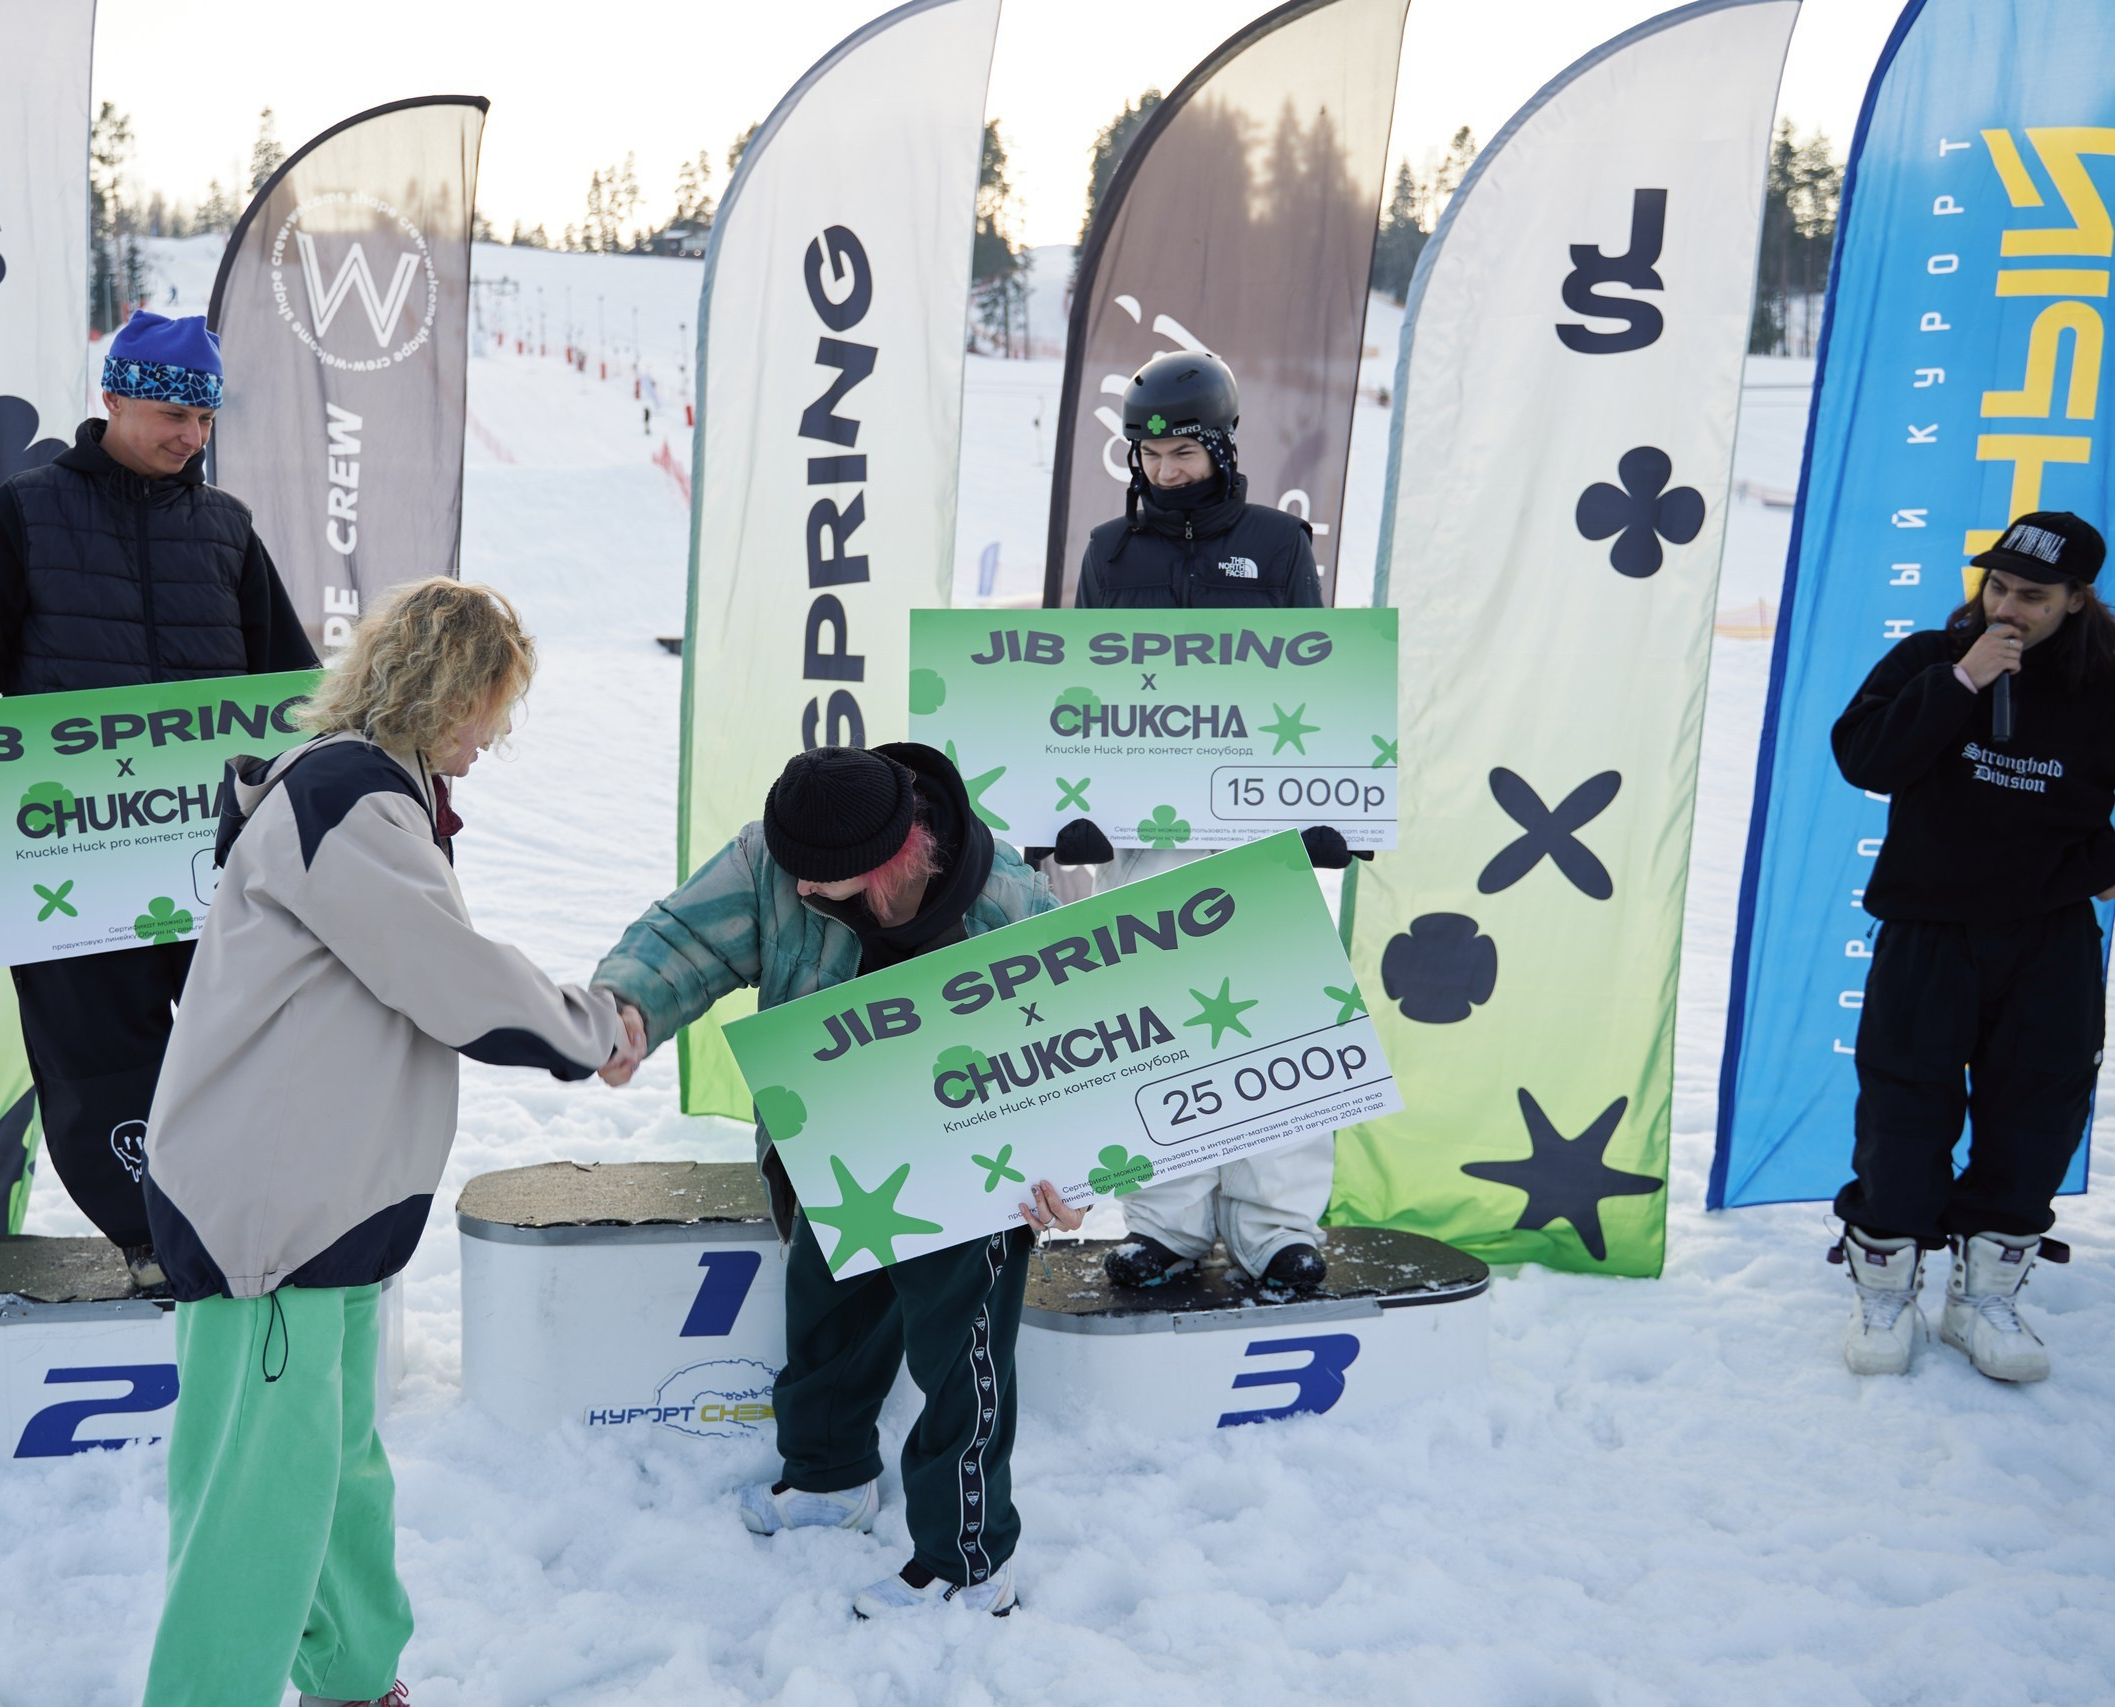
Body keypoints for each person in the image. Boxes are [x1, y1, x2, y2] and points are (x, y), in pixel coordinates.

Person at [136, 578, 636, 1707]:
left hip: (331, 1207)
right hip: (270, 1211)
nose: (490, 740)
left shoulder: (375, 796)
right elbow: (449, 978)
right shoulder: (349, 801)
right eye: (485, 711)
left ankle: (356, 1677)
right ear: (439, 690)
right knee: (252, 1509)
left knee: (337, 1474)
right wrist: (592, 1030)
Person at [0, 310, 316, 1286]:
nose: (190, 438)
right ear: (113, 396)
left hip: (216, 849)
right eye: (171, 413)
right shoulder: (28, 512)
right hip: (70, 857)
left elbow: (289, 682)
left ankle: (260, 1217)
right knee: (100, 1056)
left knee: (247, 1037)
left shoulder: (227, 529)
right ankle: (149, 1243)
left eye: (204, 421)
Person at [593, 743, 1078, 1617]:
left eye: (822, 883)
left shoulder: (1004, 896)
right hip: (839, 1131)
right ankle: (829, 1478)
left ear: (891, 860)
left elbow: (1085, 1042)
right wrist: (629, 1005)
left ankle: (969, 1562)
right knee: (828, 1307)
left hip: (970, 1156)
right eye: (795, 876)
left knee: (958, 1352)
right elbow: (686, 934)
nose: (801, 891)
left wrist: (1068, 1168)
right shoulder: (778, 857)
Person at [1065, 349, 1353, 1296]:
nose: (1163, 472)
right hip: (1149, 842)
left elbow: (1317, 677)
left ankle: (1277, 1227)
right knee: (1156, 1030)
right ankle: (1166, 1226)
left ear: (1222, 448)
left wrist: (1327, 804)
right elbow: (1073, 694)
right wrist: (1069, 812)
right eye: (1147, 455)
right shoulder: (1110, 553)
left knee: (1275, 1031)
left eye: (1181, 453)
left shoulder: (1276, 545)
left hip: (1255, 834)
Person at [1826, 511, 2113, 1384]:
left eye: (2032, 595)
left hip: (2049, 933)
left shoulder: (2107, 679)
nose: (2008, 608)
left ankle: (1983, 1296)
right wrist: (1959, 681)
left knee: (2038, 1105)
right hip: (1929, 924)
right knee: (1905, 1103)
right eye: (1998, 585)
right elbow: (1865, 757)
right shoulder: (1927, 658)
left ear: (2075, 598)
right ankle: (1886, 1287)